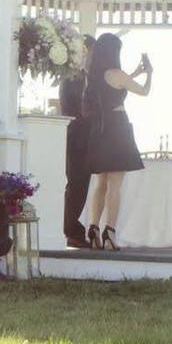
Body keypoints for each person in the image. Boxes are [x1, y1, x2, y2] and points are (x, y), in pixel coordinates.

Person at [82, 31, 151, 249]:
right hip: (118, 128)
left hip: (99, 129)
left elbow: (111, 89)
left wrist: (135, 72)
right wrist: (149, 73)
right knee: (115, 186)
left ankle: (92, 229)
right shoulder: (118, 73)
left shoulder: (91, 75)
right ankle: (109, 233)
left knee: (100, 183)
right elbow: (144, 92)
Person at [61, 36, 94, 247]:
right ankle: (71, 230)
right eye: (90, 53)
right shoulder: (73, 78)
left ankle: (77, 228)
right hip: (77, 139)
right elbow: (78, 110)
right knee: (77, 186)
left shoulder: (85, 77)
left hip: (86, 138)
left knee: (81, 186)